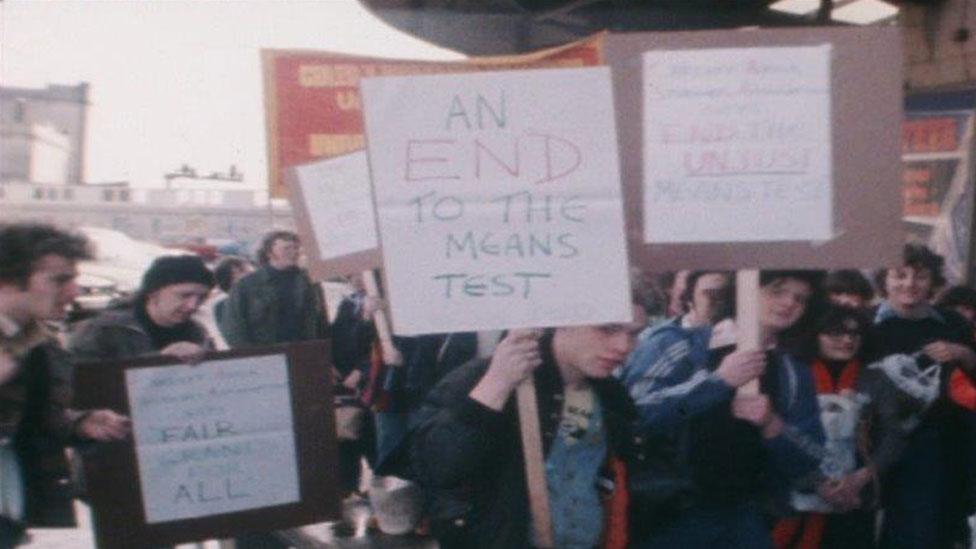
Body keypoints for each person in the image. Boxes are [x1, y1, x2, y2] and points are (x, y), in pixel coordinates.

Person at [409, 303, 647, 548]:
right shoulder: (483, 379)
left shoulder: (613, 396)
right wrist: (496, 385)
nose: (624, 347)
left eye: (634, 333)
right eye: (607, 329)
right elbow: (437, 466)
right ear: (562, 321)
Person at [627, 270, 826, 549]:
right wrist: (717, 383)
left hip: (746, 518)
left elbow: (812, 457)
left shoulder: (793, 371)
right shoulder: (679, 345)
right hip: (670, 515)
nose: (789, 303)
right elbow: (634, 417)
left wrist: (772, 425)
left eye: (801, 298)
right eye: (777, 291)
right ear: (744, 290)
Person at [0, 224, 130, 546]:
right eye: (59, 280)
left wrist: (81, 424)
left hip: (25, 499)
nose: (74, 291)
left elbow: (35, 421)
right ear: (7, 281)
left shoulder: (37, 342)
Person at [772, 305, 908, 548]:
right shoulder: (792, 374)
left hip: (853, 496)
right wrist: (817, 482)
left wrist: (861, 477)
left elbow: (893, 435)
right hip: (795, 492)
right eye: (836, 333)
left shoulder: (876, 378)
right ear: (814, 336)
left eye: (855, 334)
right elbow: (778, 432)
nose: (847, 340)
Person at [872, 244, 976, 548]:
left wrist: (963, 354)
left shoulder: (953, 323)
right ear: (885, 279)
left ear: (932, 281)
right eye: (899, 275)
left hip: (929, 442)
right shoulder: (865, 323)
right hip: (871, 438)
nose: (909, 284)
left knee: (917, 530)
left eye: (919, 276)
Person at [68, 255, 214, 363]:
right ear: (153, 293)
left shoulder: (199, 334)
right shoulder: (103, 332)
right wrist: (159, 361)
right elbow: (83, 383)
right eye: (184, 295)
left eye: (201, 298)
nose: (193, 306)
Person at [222, 230, 328, 348]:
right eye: (287, 248)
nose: (294, 252)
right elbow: (234, 328)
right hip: (266, 356)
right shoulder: (246, 286)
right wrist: (251, 356)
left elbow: (321, 321)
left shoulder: (310, 282)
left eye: (296, 248)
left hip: (305, 353)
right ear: (269, 252)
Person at [210, 255, 253, 346]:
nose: (250, 273)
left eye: (249, 269)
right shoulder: (222, 307)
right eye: (241, 271)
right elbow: (234, 340)